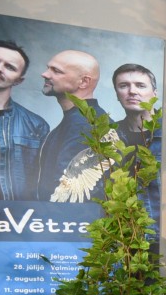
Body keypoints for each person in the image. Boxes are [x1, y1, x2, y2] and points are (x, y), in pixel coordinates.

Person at [35, 49, 115, 202]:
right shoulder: (80, 121)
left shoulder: (85, 125)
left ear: (84, 82)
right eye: (48, 68)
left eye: (56, 71)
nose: (45, 74)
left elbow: (67, 197)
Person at [0, 40, 49, 200]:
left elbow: (39, 184)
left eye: (9, 67)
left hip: (7, 212)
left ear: (18, 80)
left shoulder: (35, 126)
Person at [111, 63, 161, 157]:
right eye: (123, 86)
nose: (132, 91)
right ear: (117, 94)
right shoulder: (109, 134)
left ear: (155, 94)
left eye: (140, 86)